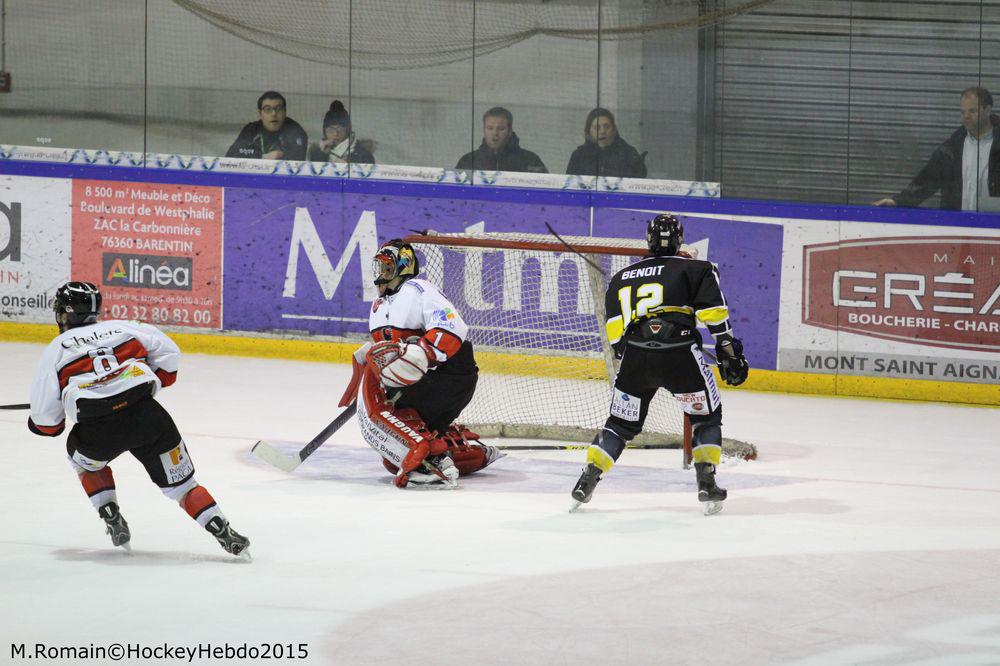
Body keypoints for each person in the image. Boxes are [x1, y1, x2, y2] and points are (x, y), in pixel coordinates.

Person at [28, 282, 250, 557]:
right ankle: (223, 531)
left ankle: (109, 512)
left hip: (99, 432)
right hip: (149, 419)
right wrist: (154, 377)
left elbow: (47, 422)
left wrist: (42, 422)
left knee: (83, 462)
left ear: (65, 313)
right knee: (183, 487)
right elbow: (169, 356)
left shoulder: (55, 350)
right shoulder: (125, 327)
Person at [569, 214, 749, 515]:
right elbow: (715, 316)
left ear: (648, 240)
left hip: (636, 358)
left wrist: (638, 353)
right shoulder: (697, 268)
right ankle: (706, 483)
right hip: (681, 355)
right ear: (680, 240)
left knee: (619, 425)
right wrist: (729, 353)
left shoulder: (622, 277)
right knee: (705, 418)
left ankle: (587, 479)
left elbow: (615, 336)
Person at [338, 240, 504, 488]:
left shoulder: (418, 289)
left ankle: (432, 457)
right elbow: (393, 351)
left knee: (402, 446)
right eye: (378, 268)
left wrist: (424, 352)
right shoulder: (378, 306)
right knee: (393, 456)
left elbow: (453, 326)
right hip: (417, 383)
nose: (380, 275)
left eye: (387, 268)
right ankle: (447, 448)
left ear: (402, 267)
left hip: (448, 376)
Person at [874, 87, 1000, 211]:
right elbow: (927, 179)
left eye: (972, 111)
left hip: (993, 221)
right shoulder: (952, 147)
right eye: (962, 112)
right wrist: (899, 201)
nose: (966, 116)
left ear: (988, 110)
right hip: (956, 221)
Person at [456, 107, 548, 173]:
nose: (495, 133)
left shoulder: (530, 160)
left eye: (501, 129)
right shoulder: (468, 161)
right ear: (484, 130)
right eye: (490, 128)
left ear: (510, 131)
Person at [225, 90, 308, 161]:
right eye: (268, 109)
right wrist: (262, 157)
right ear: (260, 114)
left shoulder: (295, 131)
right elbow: (231, 154)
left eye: (278, 108)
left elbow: (297, 162)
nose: (274, 114)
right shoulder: (251, 129)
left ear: (285, 112)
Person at [565, 107, 647, 178]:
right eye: (597, 127)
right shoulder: (579, 156)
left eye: (607, 127)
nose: (602, 131)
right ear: (588, 131)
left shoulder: (628, 154)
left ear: (614, 129)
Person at [307, 100, 375, 165]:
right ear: (325, 131)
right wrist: (321, 154)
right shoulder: (317, 153)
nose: (335, 134)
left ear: (347, 130)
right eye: (331, 129)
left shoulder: (363, 155)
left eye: (340, 129)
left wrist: (347, 168)